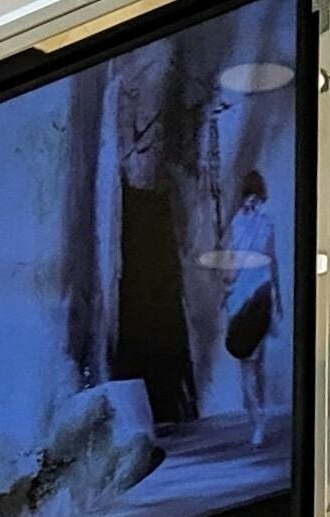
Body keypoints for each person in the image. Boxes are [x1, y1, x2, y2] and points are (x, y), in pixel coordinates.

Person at [111, 51, 199, 428]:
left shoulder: (157, 66)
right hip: (141, 201)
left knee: (155, 295)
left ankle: (164, 401)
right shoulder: (138, 71)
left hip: (151, 202)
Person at [220, 169, 280, 447]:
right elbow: (232, 263)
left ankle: (259, 419)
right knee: (248, 361)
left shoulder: (267, 224)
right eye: (248, 196)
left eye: (255, 196)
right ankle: (256, 417)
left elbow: (272, 260)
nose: (251, 201)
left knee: (257, 360)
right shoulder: (236, 224)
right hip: (242, 295)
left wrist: (278, 299)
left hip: (260, 294)